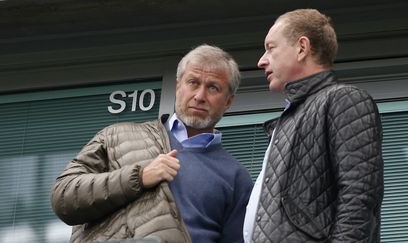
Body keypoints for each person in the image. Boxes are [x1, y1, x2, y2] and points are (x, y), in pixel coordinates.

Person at [51, 44, 253, 243]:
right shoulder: (117, 136)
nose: (200, 96)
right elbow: (64, 197)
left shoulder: (236, 177)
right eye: (193, 82)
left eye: (213, 88)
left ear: (228, 101)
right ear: (177, 86)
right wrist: (138, 176)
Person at [243, 9, 384, 243]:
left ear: (302, 47)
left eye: (270, 48)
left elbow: (359, 195)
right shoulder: (290, 118)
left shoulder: (343, 99)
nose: (261, 61)